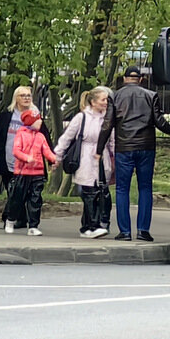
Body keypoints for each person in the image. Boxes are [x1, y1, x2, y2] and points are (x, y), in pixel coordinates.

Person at [97, 65, 170, 242]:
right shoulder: (151, 95)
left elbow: (107, 124)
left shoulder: (115, 96)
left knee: (122, 189)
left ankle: (125, 232)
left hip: (124, 148)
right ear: (141, 79)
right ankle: (143, 230)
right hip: (146, 147)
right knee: (145, 188)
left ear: (125, 78)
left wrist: (99, 149)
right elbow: (159, 122)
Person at [0, 86, 52, 231]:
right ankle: (16, 218)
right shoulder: (6, 116)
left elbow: (45, 138)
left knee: (28, 193)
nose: (26, 98)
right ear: (16, 98)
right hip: (9, 159)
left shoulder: (36, 116)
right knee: (13, 191)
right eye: (23, 95)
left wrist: (51, 159)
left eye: (28, 95)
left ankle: (16, 218)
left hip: (31, 164)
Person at [55, 87, 116, 238]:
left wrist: (118, 159)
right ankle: (91, 227)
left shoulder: (107, 119)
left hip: (102, 159)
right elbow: (67, 138)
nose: (106, 103)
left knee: (100, 193)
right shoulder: (81, 118)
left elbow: (113, 142)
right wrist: (57, 156)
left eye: (107, 100)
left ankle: (89, 225)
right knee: (89, 193)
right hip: (85, 157)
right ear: (93, 102)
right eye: (103, 99)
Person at [6, 108, 57, 236]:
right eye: (37, 120)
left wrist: (53, 159)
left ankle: (33, 225)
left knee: (35, 199)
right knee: (17, 199)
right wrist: (26, 158)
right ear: (30, 122)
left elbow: (46, 150)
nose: (40, 121)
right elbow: (16, 151)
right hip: (22, 173)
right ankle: (10, 220)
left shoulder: (41, 136)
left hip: (37, 173)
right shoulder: (20, 134)